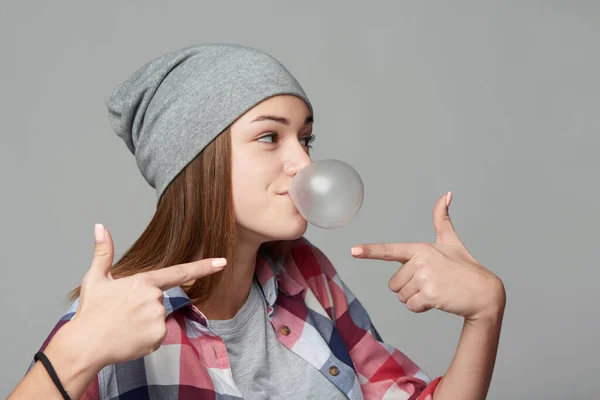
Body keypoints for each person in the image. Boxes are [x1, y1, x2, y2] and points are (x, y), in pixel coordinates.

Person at [8, 44, 506, 400]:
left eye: (305, 140)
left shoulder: (308, 277)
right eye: (270, 138)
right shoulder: (113, 322)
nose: (305, 165)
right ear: (197, 162)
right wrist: (75, 353)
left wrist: (484, 313)